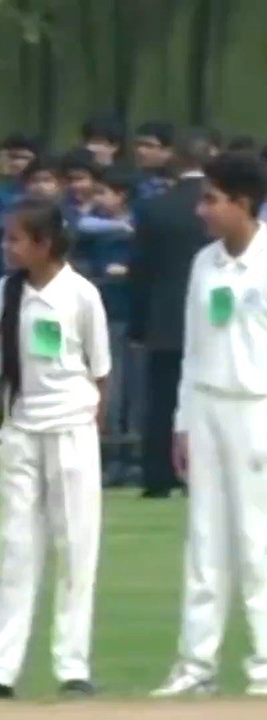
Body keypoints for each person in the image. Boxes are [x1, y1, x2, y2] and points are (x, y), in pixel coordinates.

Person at [0, 198, 110, 700]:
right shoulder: (7, 291)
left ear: (43, 244)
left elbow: (100, 370)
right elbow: (4, 364)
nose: (6, 247)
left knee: (75, 547)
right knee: (15, 547)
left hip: (70, 427)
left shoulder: (81, 294)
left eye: (15, 239)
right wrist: (7, 425)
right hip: (22, 428)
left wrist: (89, 424)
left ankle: (73, 666)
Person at [152, 151, 267, 699]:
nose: (202, 210)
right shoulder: (204, 264)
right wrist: (182, 423)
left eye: (212, 200)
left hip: (257, 409)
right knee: (204, 541)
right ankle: (196, 665)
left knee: (256, 539)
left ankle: (265, 664)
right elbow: (194, 349)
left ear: (243, 203)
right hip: (207, 407)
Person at [130, 132, 217, 499]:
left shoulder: (156, 208)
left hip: (164, 316)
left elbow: (141, 270)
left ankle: (159, 473)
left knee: (162, 397)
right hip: (213, 316)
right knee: (207, 394)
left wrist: (138, 323)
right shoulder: (218, 210)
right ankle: (205, 471)